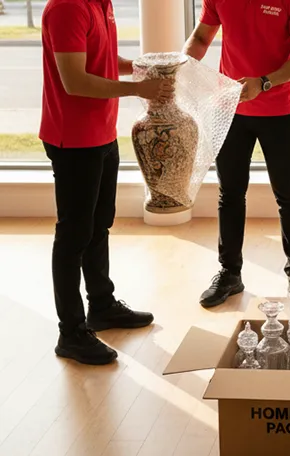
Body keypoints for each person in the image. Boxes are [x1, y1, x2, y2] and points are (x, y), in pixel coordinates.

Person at [40, 0, 172, 365]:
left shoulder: (100, 4)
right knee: (74, 236)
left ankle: (101, 305)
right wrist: (138, 89)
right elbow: (75, 81)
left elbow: (100, 58)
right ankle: (71, 333)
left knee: (99, 225)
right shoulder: (67, 8)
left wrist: (138, 68)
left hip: (101, 134)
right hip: (73, 139)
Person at [184, 0, 290, 308]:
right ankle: (230, 273)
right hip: (229, 109)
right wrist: (180, 68)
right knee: (230, 193)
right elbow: (201, 38)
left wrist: (264, 82)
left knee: (288, 194)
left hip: (279, 110)